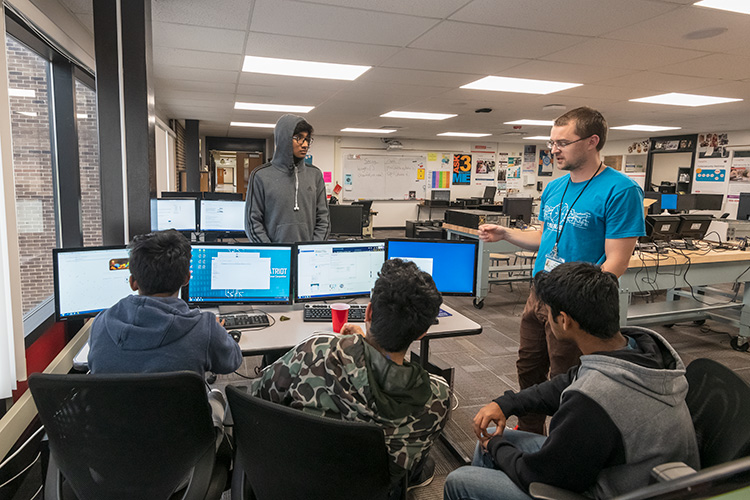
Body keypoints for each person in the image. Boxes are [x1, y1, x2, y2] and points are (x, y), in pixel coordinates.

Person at [444, 262, 699, 500]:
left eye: (548, 311)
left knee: (460, 480)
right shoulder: (637, 347)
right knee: (491, 441)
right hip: (623, 469)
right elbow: (567, 381)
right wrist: (507, 404)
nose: (544, 315)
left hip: (610, 491)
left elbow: (540, 475)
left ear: (564, 321)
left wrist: (496, 446)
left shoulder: (593, 400)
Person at [478, 106, 645, 434]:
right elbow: (545, 238)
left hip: (574, 306)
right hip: (539, 294)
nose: (553, 150)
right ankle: (528, 433)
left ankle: (563, 440)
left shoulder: (621, 190)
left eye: (562, 142)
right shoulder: (556, 187)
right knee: (528, 366)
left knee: (566, 377)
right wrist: (507, 234)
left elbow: (617, 261)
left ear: (591, 142)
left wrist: (578, 301)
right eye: (551, 142)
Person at [247, 259, 450, 496]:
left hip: (292, 481)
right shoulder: (437, 397)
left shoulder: (315, 350)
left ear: (369, 312)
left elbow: (257, 394)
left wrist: (357, 346)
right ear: (423, 333)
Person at [88, 230, 243, 429]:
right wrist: (219, 334)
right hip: (184, 447)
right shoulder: (204, 327)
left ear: (132, 282)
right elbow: (232, 362)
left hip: (113, 444)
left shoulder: (101, 322)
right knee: (216, 395)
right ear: (187, 278)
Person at [244, 114, 329, 243]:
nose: (305, 145)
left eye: (307, 139)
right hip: (274, 256)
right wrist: (272, 252)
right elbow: (253, 222)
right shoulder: (260, 176)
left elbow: (324, 219)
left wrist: (313, 249)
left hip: (308, 255)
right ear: (284, 139)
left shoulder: (315, 175)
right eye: (299, 138)